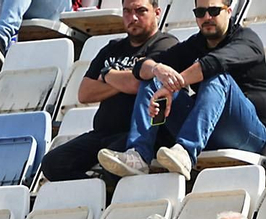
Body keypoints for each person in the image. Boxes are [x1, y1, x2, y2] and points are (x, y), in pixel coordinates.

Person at [96, 0, 266, 181]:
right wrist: (157, 69)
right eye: (200, 12)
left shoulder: (248, 40)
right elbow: (142, 66)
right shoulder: (195, 44)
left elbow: (213, 63)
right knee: (154, 79)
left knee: (217, 77)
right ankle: (139, 155)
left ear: (229, 12)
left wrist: (174, 84)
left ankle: (185, 151)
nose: (207, 17)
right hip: (208, 130)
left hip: (250, 135)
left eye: (214, 11)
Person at [39, 0, 179, 183]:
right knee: (53, 163)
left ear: (157, 12)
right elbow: (85, 93)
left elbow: (139, 85)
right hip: (102, 132)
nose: (133, 17)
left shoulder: (166, 44)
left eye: (140, 11)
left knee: (113, 165)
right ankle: (98, 192)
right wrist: (125, 79)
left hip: (139, 135)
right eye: (127, 11)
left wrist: (106, 75)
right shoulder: (112, 48)